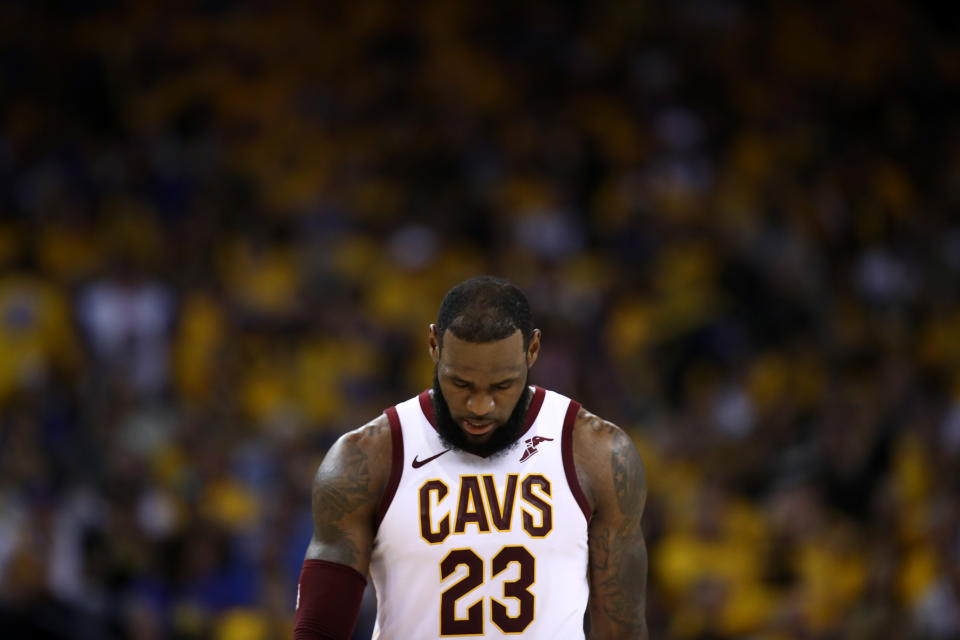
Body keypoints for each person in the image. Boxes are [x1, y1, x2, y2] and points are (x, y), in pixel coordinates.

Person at [294, 276, 647, 639]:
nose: (480, 406)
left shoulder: (596, 453)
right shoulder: (366, 458)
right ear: (434, 345)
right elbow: (320, 629)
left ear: (533, 349)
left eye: (502, 386)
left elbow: (623, 628)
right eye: (461, 384)